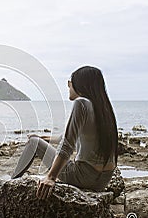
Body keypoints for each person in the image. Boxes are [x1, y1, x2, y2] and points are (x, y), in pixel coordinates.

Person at [11, 66, 118, 200]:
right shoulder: (103, 108)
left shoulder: (81, 103)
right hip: (103, 180)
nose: (68, 86)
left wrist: (51, 177)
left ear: (79, 84)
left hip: (84, 177)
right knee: (36, 140)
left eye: (70, 82)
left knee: (33, 143)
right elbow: (68, 137)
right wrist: (42, 137)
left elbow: (67, 145)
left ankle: (11, 182)